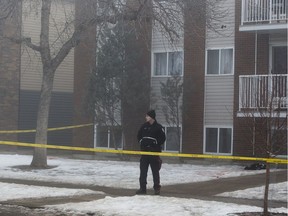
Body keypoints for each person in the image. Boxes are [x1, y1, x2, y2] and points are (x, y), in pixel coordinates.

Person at [136, 109, 166, 195]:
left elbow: (163, 138)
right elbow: (138, 136)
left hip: (154, 153)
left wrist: (155, 145)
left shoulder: (158, 127)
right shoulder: (143, 126)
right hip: (144, 153)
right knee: (143, 171)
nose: (146, 117)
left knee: (155, 171)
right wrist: (141, 142)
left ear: (152, 117)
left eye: (147, 116)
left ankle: (157, 188)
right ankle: (142, 188)